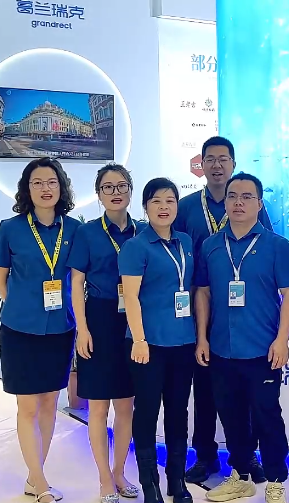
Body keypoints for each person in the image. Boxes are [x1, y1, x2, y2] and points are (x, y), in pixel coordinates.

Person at [194, 173, 289, 503]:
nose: (238, 202)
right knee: (232, 416)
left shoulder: (277, 246)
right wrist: (202, 338)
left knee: (267, 416)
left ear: (259, 203)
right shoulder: (211, 246)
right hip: (222, 348)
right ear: (225, 202)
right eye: (232, 196)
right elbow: (203, 293)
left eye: (247, 196)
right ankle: (240, 475)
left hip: (263, 349)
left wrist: (282, 340)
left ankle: (276, 479)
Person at [175, 136, 270, 484]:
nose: (217, 165)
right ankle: (205, 456)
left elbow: (265, 248)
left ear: (233, 163)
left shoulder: (250, 203)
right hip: (200, 309)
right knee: (205, 389)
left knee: (246, 393)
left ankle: (246, 457)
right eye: (210, 159)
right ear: (200, 164)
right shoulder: (186, 207)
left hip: (244, 313)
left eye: (223, 159)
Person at [0, 157, 81, 503]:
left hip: (60, 328)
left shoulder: (73, 230)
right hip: (21, 329)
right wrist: (22, 305)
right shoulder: (10, 229)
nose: (46, 188)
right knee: (27, 407)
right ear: (26, 189)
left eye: (52, 182)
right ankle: (41, 483)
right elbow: (1, 278)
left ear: (61, 188)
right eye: (38, 182)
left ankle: (35, 476)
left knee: (49, 404)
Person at [67, 164, 141, 503]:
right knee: (98, 408)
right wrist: (81, 329)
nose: (115, 192)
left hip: (133, 322)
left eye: (121, 186)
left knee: (126, 406)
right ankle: (103, 480)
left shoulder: (142, 232)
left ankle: (120, 472)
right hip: (98, 319)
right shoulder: (87, 233)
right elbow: (76, 283)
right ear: (98, 194)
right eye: (108, 187)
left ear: (130, 191)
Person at [119, 178, 195, 503]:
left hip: (183, 341)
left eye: (170, 200)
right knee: (147, 413)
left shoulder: (185, 242)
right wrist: (139, 339)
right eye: (156, 201)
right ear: (145, 207)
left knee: (178, 413)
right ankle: (149, 484)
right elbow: (131, 297)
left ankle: (177, 482)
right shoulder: (136, 246)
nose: (164, 207)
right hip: (147, 345)